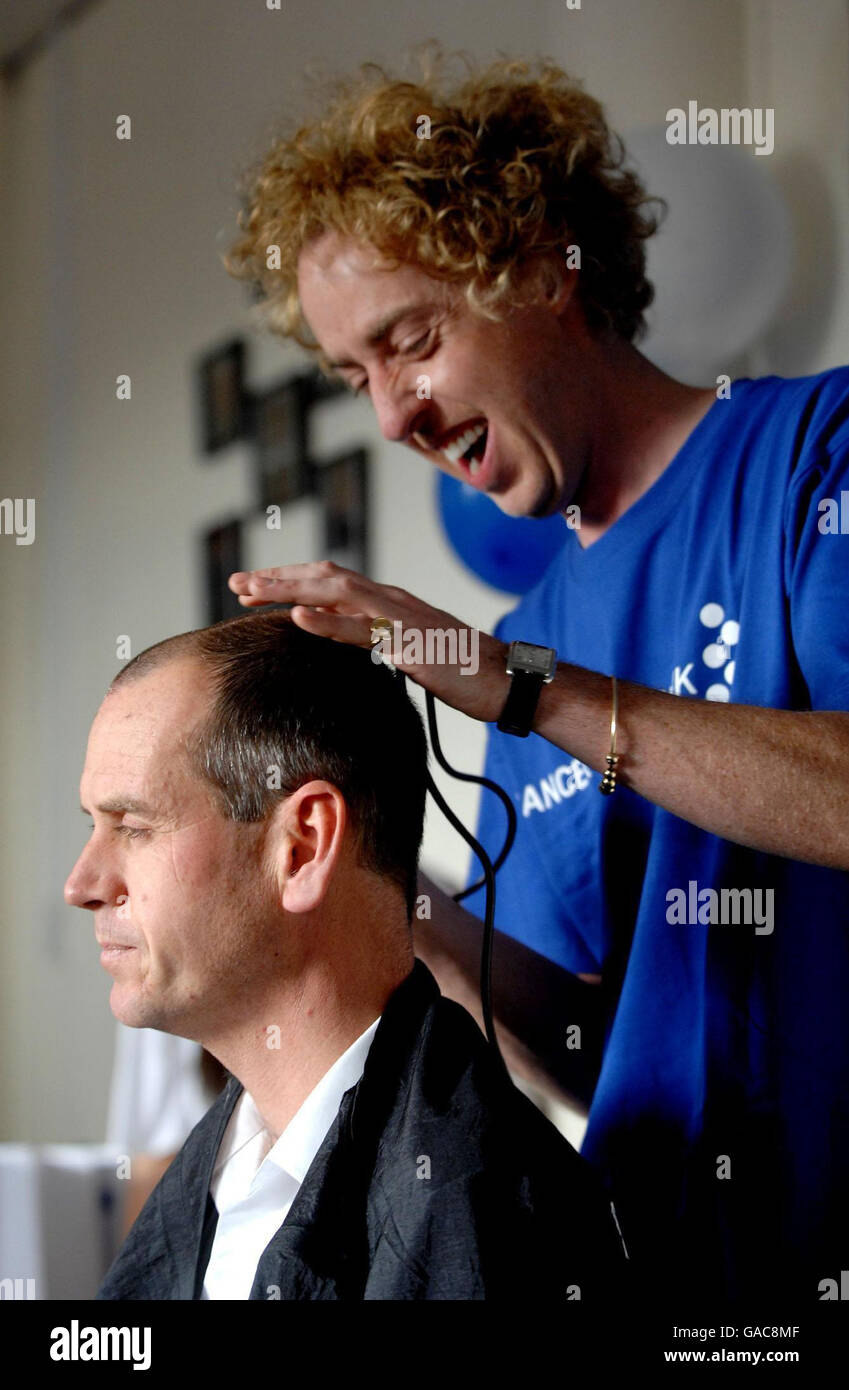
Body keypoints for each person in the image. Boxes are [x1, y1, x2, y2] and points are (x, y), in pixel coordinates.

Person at [223, 48, 849, 1304]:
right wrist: (387, 901)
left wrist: (525, 687)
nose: (392, 416)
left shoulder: (808, 456)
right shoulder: (523, 641)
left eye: (410, 342)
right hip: (680, 1277)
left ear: (543, 272)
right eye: (356, 377)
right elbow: (587, 1045)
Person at [65, 611, 625, 1301]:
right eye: (93, 827)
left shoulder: (481, 1216)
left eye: (133, 828)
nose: (81, 886)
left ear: (300, 847)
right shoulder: (225, 1172)